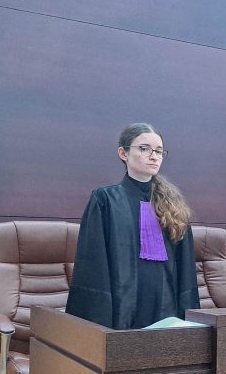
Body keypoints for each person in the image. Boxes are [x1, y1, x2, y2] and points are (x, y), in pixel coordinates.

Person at [66, 123, 199, 329]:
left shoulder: (174, 205)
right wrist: (101, 323)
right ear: (123, 153)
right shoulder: (106, 200)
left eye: (159, 151)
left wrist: (188, 316)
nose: (154, 156)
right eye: (144, 149)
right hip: (121, 308)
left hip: (166, 306)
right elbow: (94, 265)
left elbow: (186, 268)